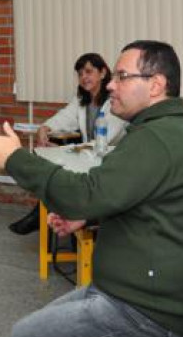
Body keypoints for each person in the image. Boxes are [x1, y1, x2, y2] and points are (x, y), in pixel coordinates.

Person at [0, 41, 183, 337]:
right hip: (130, 292)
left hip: (151, 314)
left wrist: (15, 159)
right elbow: (133, 196)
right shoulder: (165, 128)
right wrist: (89, 217)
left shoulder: (156, 139)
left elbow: (84, 193)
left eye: (122, 76)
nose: (110, 85)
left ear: (156, 85)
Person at [9, 52, 128, 235]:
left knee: (64, 178)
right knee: (59, 175)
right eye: (80, 74)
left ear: (103, 73)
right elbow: (65, 116)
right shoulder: (82, 99)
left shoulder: (116, 99)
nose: (84, 77)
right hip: (90, 159)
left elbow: (105, 140)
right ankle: (43, 218)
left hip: (110, 163)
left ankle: (39, 218)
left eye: (88, 71)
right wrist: (45, 128)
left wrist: (69, 150)